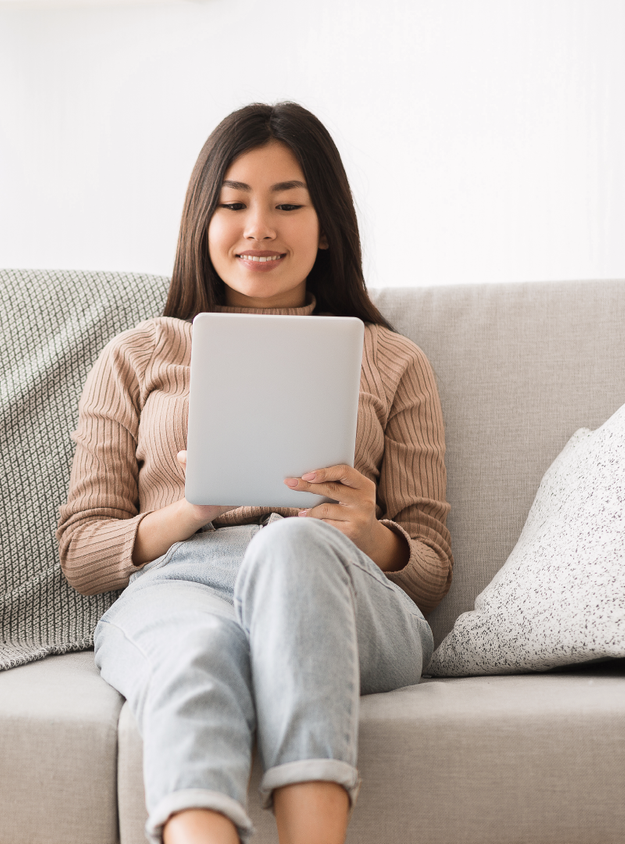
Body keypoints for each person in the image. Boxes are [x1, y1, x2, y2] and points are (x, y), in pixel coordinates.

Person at [56, 102, 451, 844]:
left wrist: (369, 534)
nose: (257, 228)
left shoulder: (395, 361)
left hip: (336, 585)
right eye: (233, 205)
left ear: (327, 225)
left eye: (288, 205)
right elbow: (82, 554)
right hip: (184, 585)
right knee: (198, 652)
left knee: (292, 547)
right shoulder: (138, 355)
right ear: (202, 224)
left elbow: (431, 573)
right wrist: (192, 506)